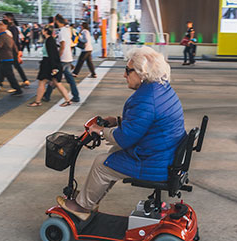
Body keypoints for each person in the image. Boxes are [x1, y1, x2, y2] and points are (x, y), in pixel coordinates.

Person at [56, 47, 185, 220]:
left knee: (102, 164)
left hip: (154, 163)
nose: (124, 75)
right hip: (164, 155)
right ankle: (90, 198)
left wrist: (101, 131)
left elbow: (124, 138)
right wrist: (117, 121)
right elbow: (145, 123)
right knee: (112, 154)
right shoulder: (160, 89)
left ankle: (82, 207)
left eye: (127, 70)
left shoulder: (145, 99)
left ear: (142, 73)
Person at [27, 26, 72, 107]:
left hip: (48, 64)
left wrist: (54, 68)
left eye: (43, 30)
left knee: (43, 82)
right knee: (56, 83)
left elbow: (52, 55)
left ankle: (37, 101)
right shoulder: (49, 40)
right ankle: (67, 100)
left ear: (46, 31)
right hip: (49, 64)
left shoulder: (49, 41)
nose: (41, 31)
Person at [42, 14, 81, 103]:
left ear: (57, 21)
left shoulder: (63, 31)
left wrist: (58, 57)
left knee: (54, 77)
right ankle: (75, 96)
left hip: (63, 59)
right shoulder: (67, 29)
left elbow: (62, 45)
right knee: (67, 78)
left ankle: (47, 96)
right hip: (67, 57)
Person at [3, 13, 30, 87]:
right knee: (14, 66)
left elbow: (14, 41)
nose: (3, 19)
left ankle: (16, 86)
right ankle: (25, 80)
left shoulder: (13, 28)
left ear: (9, 19)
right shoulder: (10, 27)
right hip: (11, 50)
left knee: (5, 67)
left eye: (4, 18)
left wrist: (18, 51)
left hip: (11, 50)